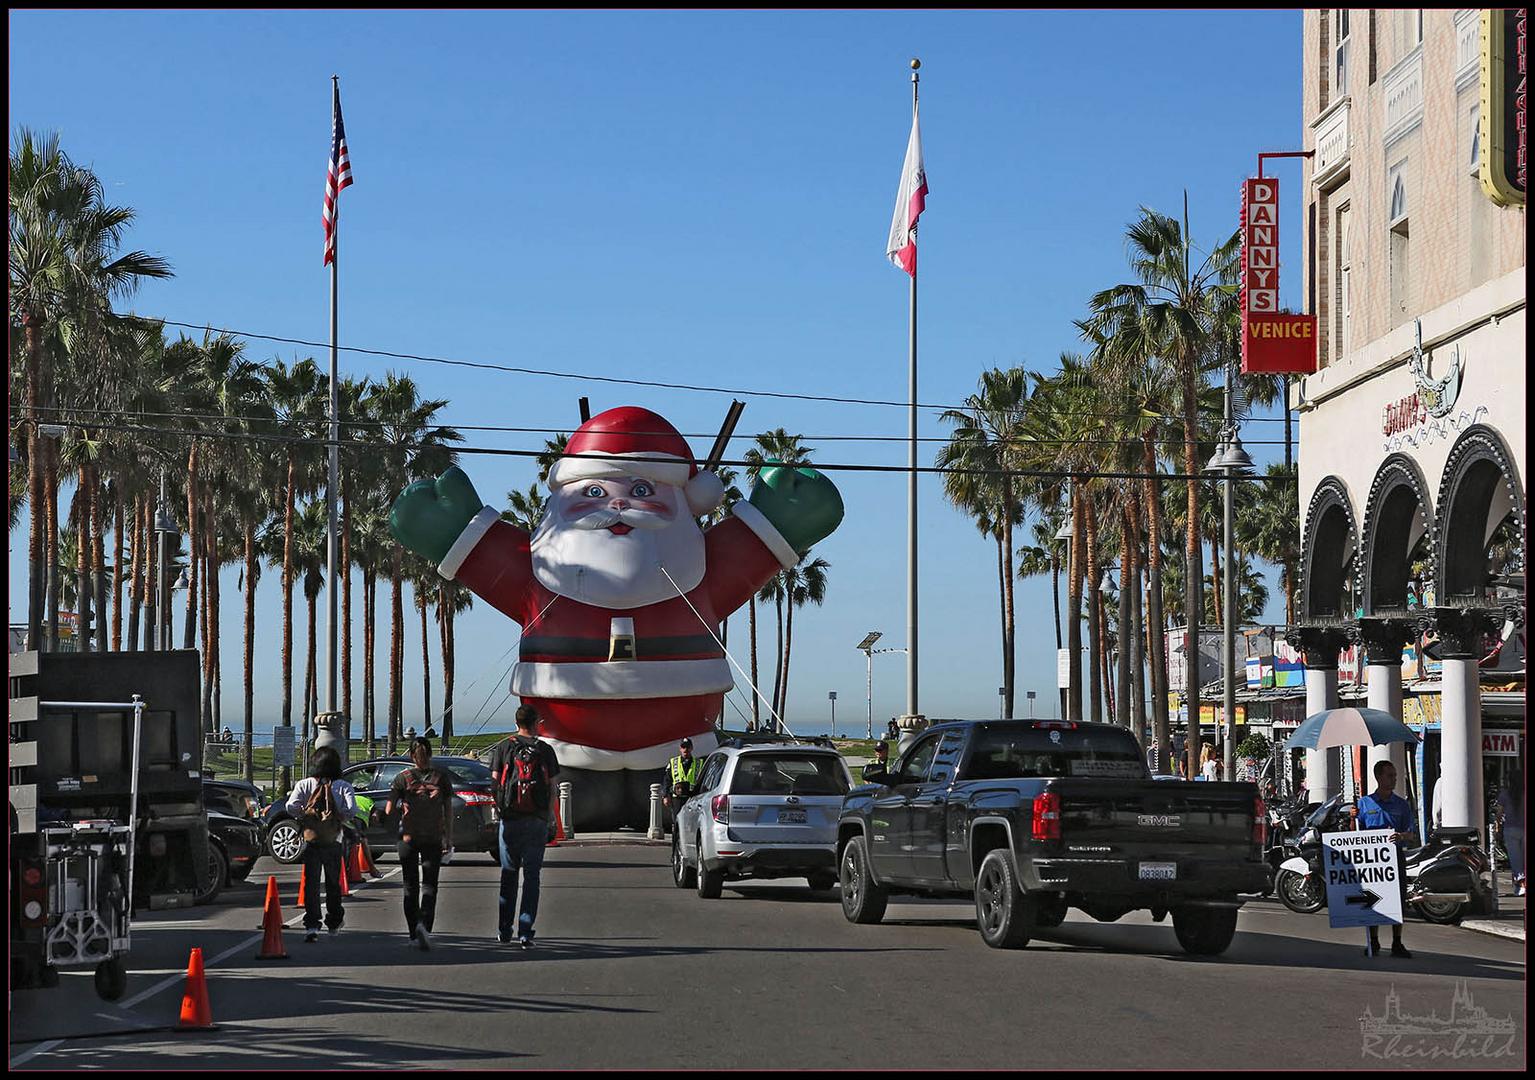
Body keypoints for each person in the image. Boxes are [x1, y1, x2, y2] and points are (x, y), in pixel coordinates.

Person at [488, 705, 561, 948]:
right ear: (536, 722)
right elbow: (553, 787)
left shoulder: (504, 747)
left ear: (516, 721)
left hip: (510, 820)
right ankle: (525, 931)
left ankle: (504, 929)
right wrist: (549, 816)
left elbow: (496, 783)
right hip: (536, 820)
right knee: (532, 877)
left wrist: (499, 811)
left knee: (508, 874)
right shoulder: (545, 750)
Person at [386, 736, 455, 950]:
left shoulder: (402, 778)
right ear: (431, 755)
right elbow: (449, 811)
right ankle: (425, 926)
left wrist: (391, 819)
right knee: (430, 885)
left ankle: (412, 933)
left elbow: (389, 809)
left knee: (410, 886)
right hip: (433, 837)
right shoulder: (440, 778)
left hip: (408, 838)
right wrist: (448, 837)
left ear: (410, 755)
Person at [285, 746, 356, 942]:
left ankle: (312, 925)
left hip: (312, 840)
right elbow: (352, 809)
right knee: (333, 883)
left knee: (311, 883)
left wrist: (304, 814)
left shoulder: (305, 784)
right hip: (333, 840)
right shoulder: (342, 786)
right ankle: (334, 921)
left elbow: (290, 806)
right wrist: (339, 816)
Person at [1356, 759, 1419, 959]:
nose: (1394, 779)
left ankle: (1396, 942)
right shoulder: (1364, 804)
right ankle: (1373, 941)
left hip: (1394, 858)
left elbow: (1411, 833)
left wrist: (1401, 836)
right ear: (1378, 777)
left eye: (1395, 776)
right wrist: (1352, 817)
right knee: (1372, 900)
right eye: (1390, 775)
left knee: (1397, 901)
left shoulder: (1401, 805)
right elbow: (1354, 833)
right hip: (1371, 861)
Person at [662, 737, 702, 830]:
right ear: (680, 749)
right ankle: (677, 842)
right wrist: (665, 796)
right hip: (677, 799)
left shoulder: (699, 763)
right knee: (677, 823)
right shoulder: (673, 762)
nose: (685, 750)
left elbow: (702, 781)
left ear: (691, 748)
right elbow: (667, 780)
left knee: (691, 824)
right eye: (683, 747)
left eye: (687, 747)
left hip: (692, 798)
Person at [1497, 769, 1524, 897]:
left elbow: (1499, 813)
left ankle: (1520, 885)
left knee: (1515, 859)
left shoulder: (1505, 794)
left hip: (1511, 829)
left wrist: (1497, 828)